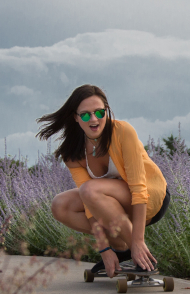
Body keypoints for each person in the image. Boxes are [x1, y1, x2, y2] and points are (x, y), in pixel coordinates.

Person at [37, 84, 170, 277]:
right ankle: (120, 249)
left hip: (150, 199)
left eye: (99, 112)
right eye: (85, 115)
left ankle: (139, 253)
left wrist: (138, 241)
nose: (93, 119)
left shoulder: (123, 132)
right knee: (60, 205)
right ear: (75, 117)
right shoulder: (72, 153)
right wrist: (104, 249)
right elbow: (89, 206)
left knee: (91, 190)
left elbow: (139, 189)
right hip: (111, 206)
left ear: (107, 111)